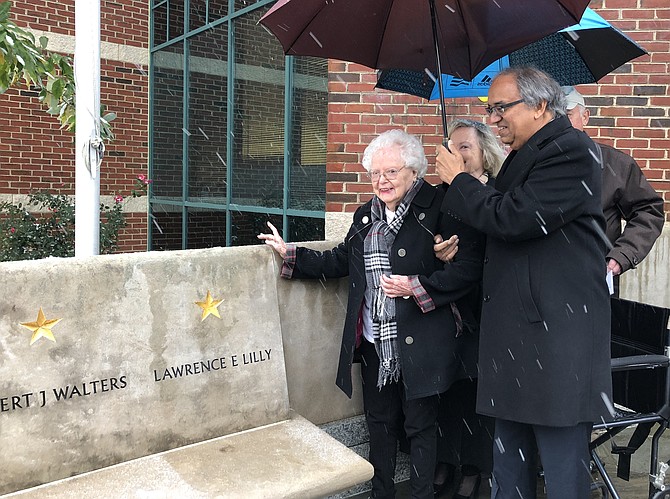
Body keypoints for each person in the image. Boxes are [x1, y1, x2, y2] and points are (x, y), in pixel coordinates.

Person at [258, 129, 485, 499]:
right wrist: (292, 254)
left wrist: (418, 286)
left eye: (392, 172)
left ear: (414, 171)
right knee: (380, 424)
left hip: (422, 342)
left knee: (420, 426)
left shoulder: (441, 208)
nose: (382, 181)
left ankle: (421, 494)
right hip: (375, 342)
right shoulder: (366, 216)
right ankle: (382, 493)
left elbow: (467, 269)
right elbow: (342, 259)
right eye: (375, 174)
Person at [434, 67, 613, 499]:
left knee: (561, 474)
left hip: (555, 345)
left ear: (539, 106)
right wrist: (463, 247)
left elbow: (515, 217)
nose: (493, 120)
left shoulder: (571, 149)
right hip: (517, 343)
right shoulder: (524, 155)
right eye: (489, 110)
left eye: (500, 109)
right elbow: (505, 227)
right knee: (508, 475)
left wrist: (459, 180)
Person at [433, 119, 505, 499]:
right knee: (448, 386)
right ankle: (445, 458)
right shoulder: (438, 195)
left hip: (483, 305)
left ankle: (476, 466)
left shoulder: (495, 193)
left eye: (466, 147)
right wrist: (437, 246)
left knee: (478, 389)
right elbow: (425, 236)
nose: (458, 153)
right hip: (448, 306)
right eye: (452, 146)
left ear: (483, 153)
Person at [563, 85, 664, 294]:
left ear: (585, 117)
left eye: (567, 114)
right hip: (544, 279)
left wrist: (622, 255)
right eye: (553, 116)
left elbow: (649, 211)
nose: (561, 123)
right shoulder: (534, 162)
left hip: (595, 277)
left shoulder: (616, 164)